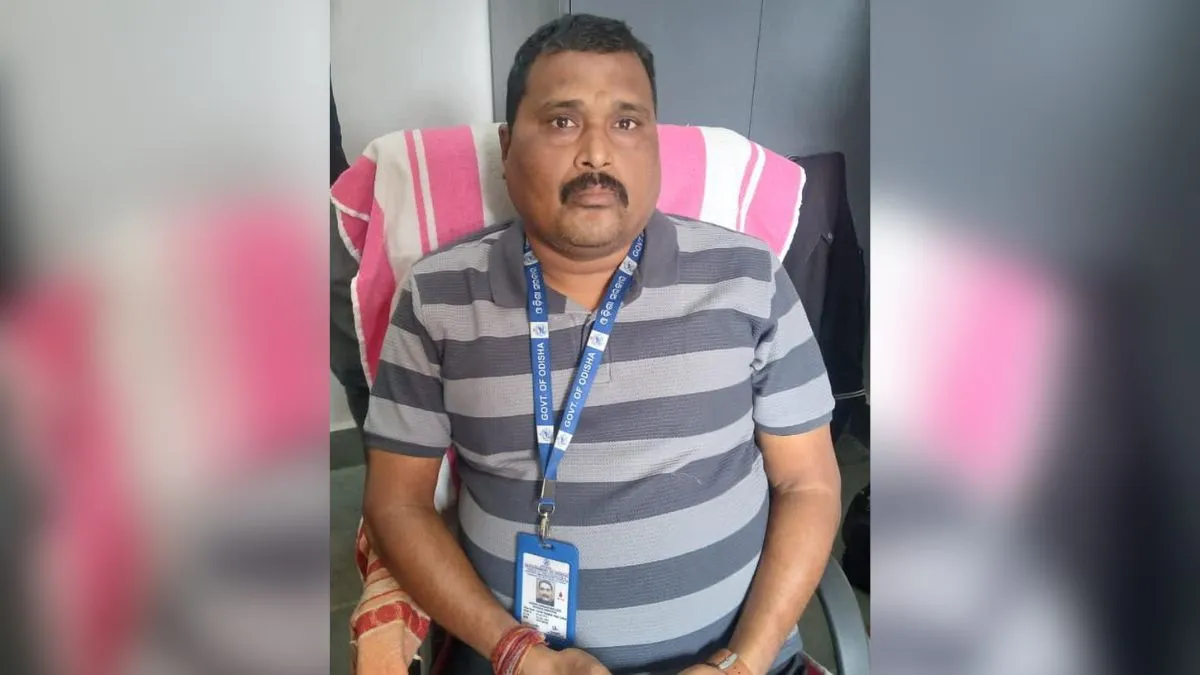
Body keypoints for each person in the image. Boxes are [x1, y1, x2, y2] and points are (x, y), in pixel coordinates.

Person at [362, 14, 841, 675]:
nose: (597, 153)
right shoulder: (439, 296)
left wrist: (743, 662)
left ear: (655, 143)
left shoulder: (748, 278)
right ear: (507, 146)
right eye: (562, 121)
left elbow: (808, 484)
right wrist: (518, 653)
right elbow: (397, 502)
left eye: (626, 122)